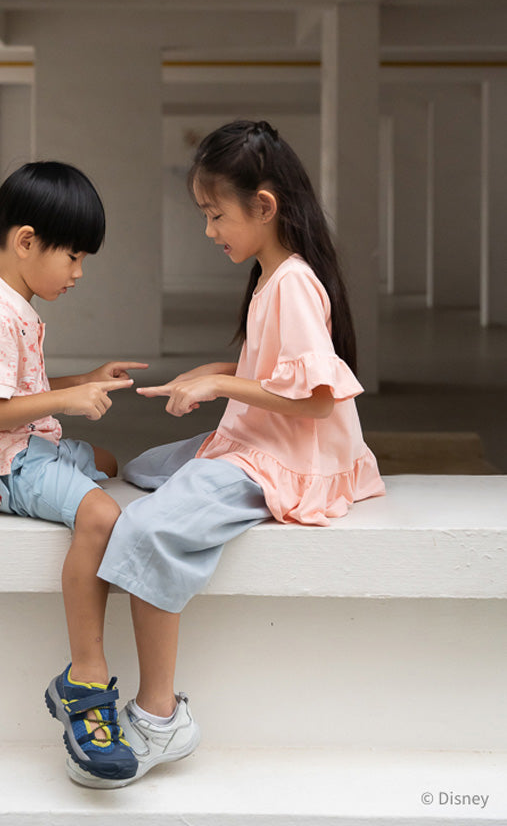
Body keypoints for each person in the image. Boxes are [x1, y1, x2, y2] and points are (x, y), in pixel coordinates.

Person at [95, 120, 385, 787]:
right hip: (255, 435)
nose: (208, 230)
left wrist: (221, 384)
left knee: (146, 529)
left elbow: (315, 399)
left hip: (284, 454)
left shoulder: (290, 284)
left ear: (263, 206)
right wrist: (212, 374)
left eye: (214, 214)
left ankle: (161, 717)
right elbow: (276, 367)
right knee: (144, 471)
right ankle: (209, 481)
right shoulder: (274, 273)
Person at [0, 160, 148, 786]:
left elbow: (11, 388)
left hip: (28, 444)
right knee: (103, 513)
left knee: (109, 465)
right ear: (26, 241)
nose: (79, 273)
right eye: (74, 257)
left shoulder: (10, 301)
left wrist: (82, 381)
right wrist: (64, 402)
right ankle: (83, 677)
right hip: (4, 464)